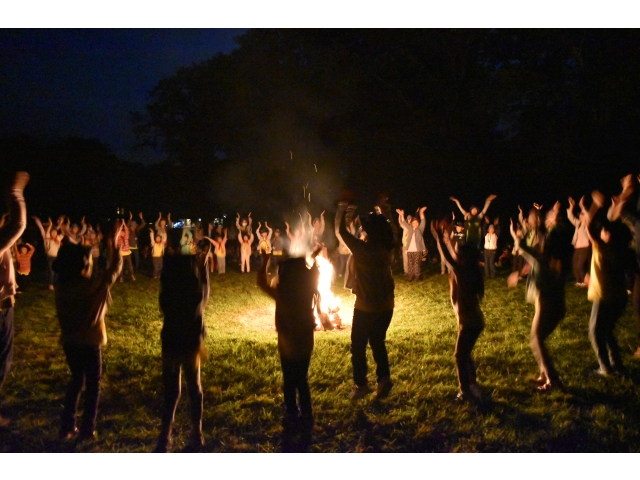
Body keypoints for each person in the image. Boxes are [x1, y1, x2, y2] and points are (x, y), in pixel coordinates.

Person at [53, 219, 123, 440]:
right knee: (93, 385)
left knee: (76, 380)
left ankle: (67, 426)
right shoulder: (92, 288)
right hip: (90, 343)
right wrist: (113, 242)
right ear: (84, 267)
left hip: (70, 342)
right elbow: (114, 269)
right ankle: (87, 429)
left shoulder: (61, 287)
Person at [155, 230, 210, 453]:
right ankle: (196, 433)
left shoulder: (167, 284)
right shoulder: (194, 289)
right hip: (190, 341)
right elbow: (205, 295)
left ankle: (164, 435)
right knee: (194, 388)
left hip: (170, 340)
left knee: (171, 391)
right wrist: (204, 267)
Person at [257, 247, 321, 428]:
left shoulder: (283, 293)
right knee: (302, 378)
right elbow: (312, 273)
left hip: (287, 341)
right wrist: (313, 260)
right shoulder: (309, 288)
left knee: (289, 378)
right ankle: (307, 415)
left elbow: (261, 283)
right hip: (306, 339)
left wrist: (264, 261)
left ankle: (292, 412)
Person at [338, 200, 395, 400]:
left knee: (358, 345)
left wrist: (344, 208)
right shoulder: (388, 247)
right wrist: (385, 210)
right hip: (387, 305)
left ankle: (361, 385)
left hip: (366, 307)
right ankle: (383, 378)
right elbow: (391, 228)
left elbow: (342, 233)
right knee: (378, 341)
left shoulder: (363, 251)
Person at [508, 219, 566, 391]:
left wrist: (525, 231)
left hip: (547, 305)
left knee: (537, 340)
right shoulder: (556, 261)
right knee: (537, 340)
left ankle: (553, 380)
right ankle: (545, 374)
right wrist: (519, 274)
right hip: (556, 304)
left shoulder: (540, 259)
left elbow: (520, 246)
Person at [430, 220, 485, 401]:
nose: (457, 252)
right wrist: (446, 238)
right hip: (475, 321)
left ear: (463, 258)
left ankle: (465, 391)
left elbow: (448, 257)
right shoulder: (471, 269)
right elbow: (453, 254)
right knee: (465, 353)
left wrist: (439, 238)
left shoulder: (462, 272)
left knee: (459, 355)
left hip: (469, 322)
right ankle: (473, 384)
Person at [583, 191, 629, 376]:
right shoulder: (621, 250)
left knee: (595, 332)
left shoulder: (602, 247)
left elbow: (588, 227)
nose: (601, 231)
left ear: (608, 234)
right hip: (619, 297)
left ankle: (605, 367)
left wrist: (595, 206)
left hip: (604, 297)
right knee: (608, 330)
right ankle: (617, 363)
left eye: (604, 230)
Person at [0, 172, 29, 428]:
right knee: (2, 360)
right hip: (0, 310)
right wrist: (16, 193)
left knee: (4, 360)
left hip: (5, 305)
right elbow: (19, 225)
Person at [397, 207, 427, 281]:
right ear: (412, 223)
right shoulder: (409, 228)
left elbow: (423, 220)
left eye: (416, 223)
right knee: (410, 263)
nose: (415, 224)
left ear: (418, 223)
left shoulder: (420, 229)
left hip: (418, 250)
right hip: (409, 250)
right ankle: (411, 276)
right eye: (413, 222)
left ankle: (417, 275)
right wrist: (402, 215)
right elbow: (403, 222)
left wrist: (421, 213)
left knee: (417, 264)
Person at [33, 216, 63, 290]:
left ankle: (55, 283)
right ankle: (50, 284)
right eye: (52, 232)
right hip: (50, 257)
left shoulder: (58, 238)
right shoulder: (48, 238)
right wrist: (50, 224)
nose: (53, 233)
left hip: (56, 257)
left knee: (56, 271)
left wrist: (61, 223)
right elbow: (46, 232)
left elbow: (63, 233)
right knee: (51, 271)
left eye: (55, 232)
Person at [567, 197, 591, 286]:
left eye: (582, 214)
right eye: (580, 214)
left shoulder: (587, 224)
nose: (580, 215)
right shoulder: (578, 223)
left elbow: (588, 216)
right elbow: (570, 216)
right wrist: (572, 206)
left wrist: (582, 206)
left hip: (585, 246)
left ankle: (585, 281)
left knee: (581, 265)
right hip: (577, 247)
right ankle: (579, 281)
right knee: (574, 264)